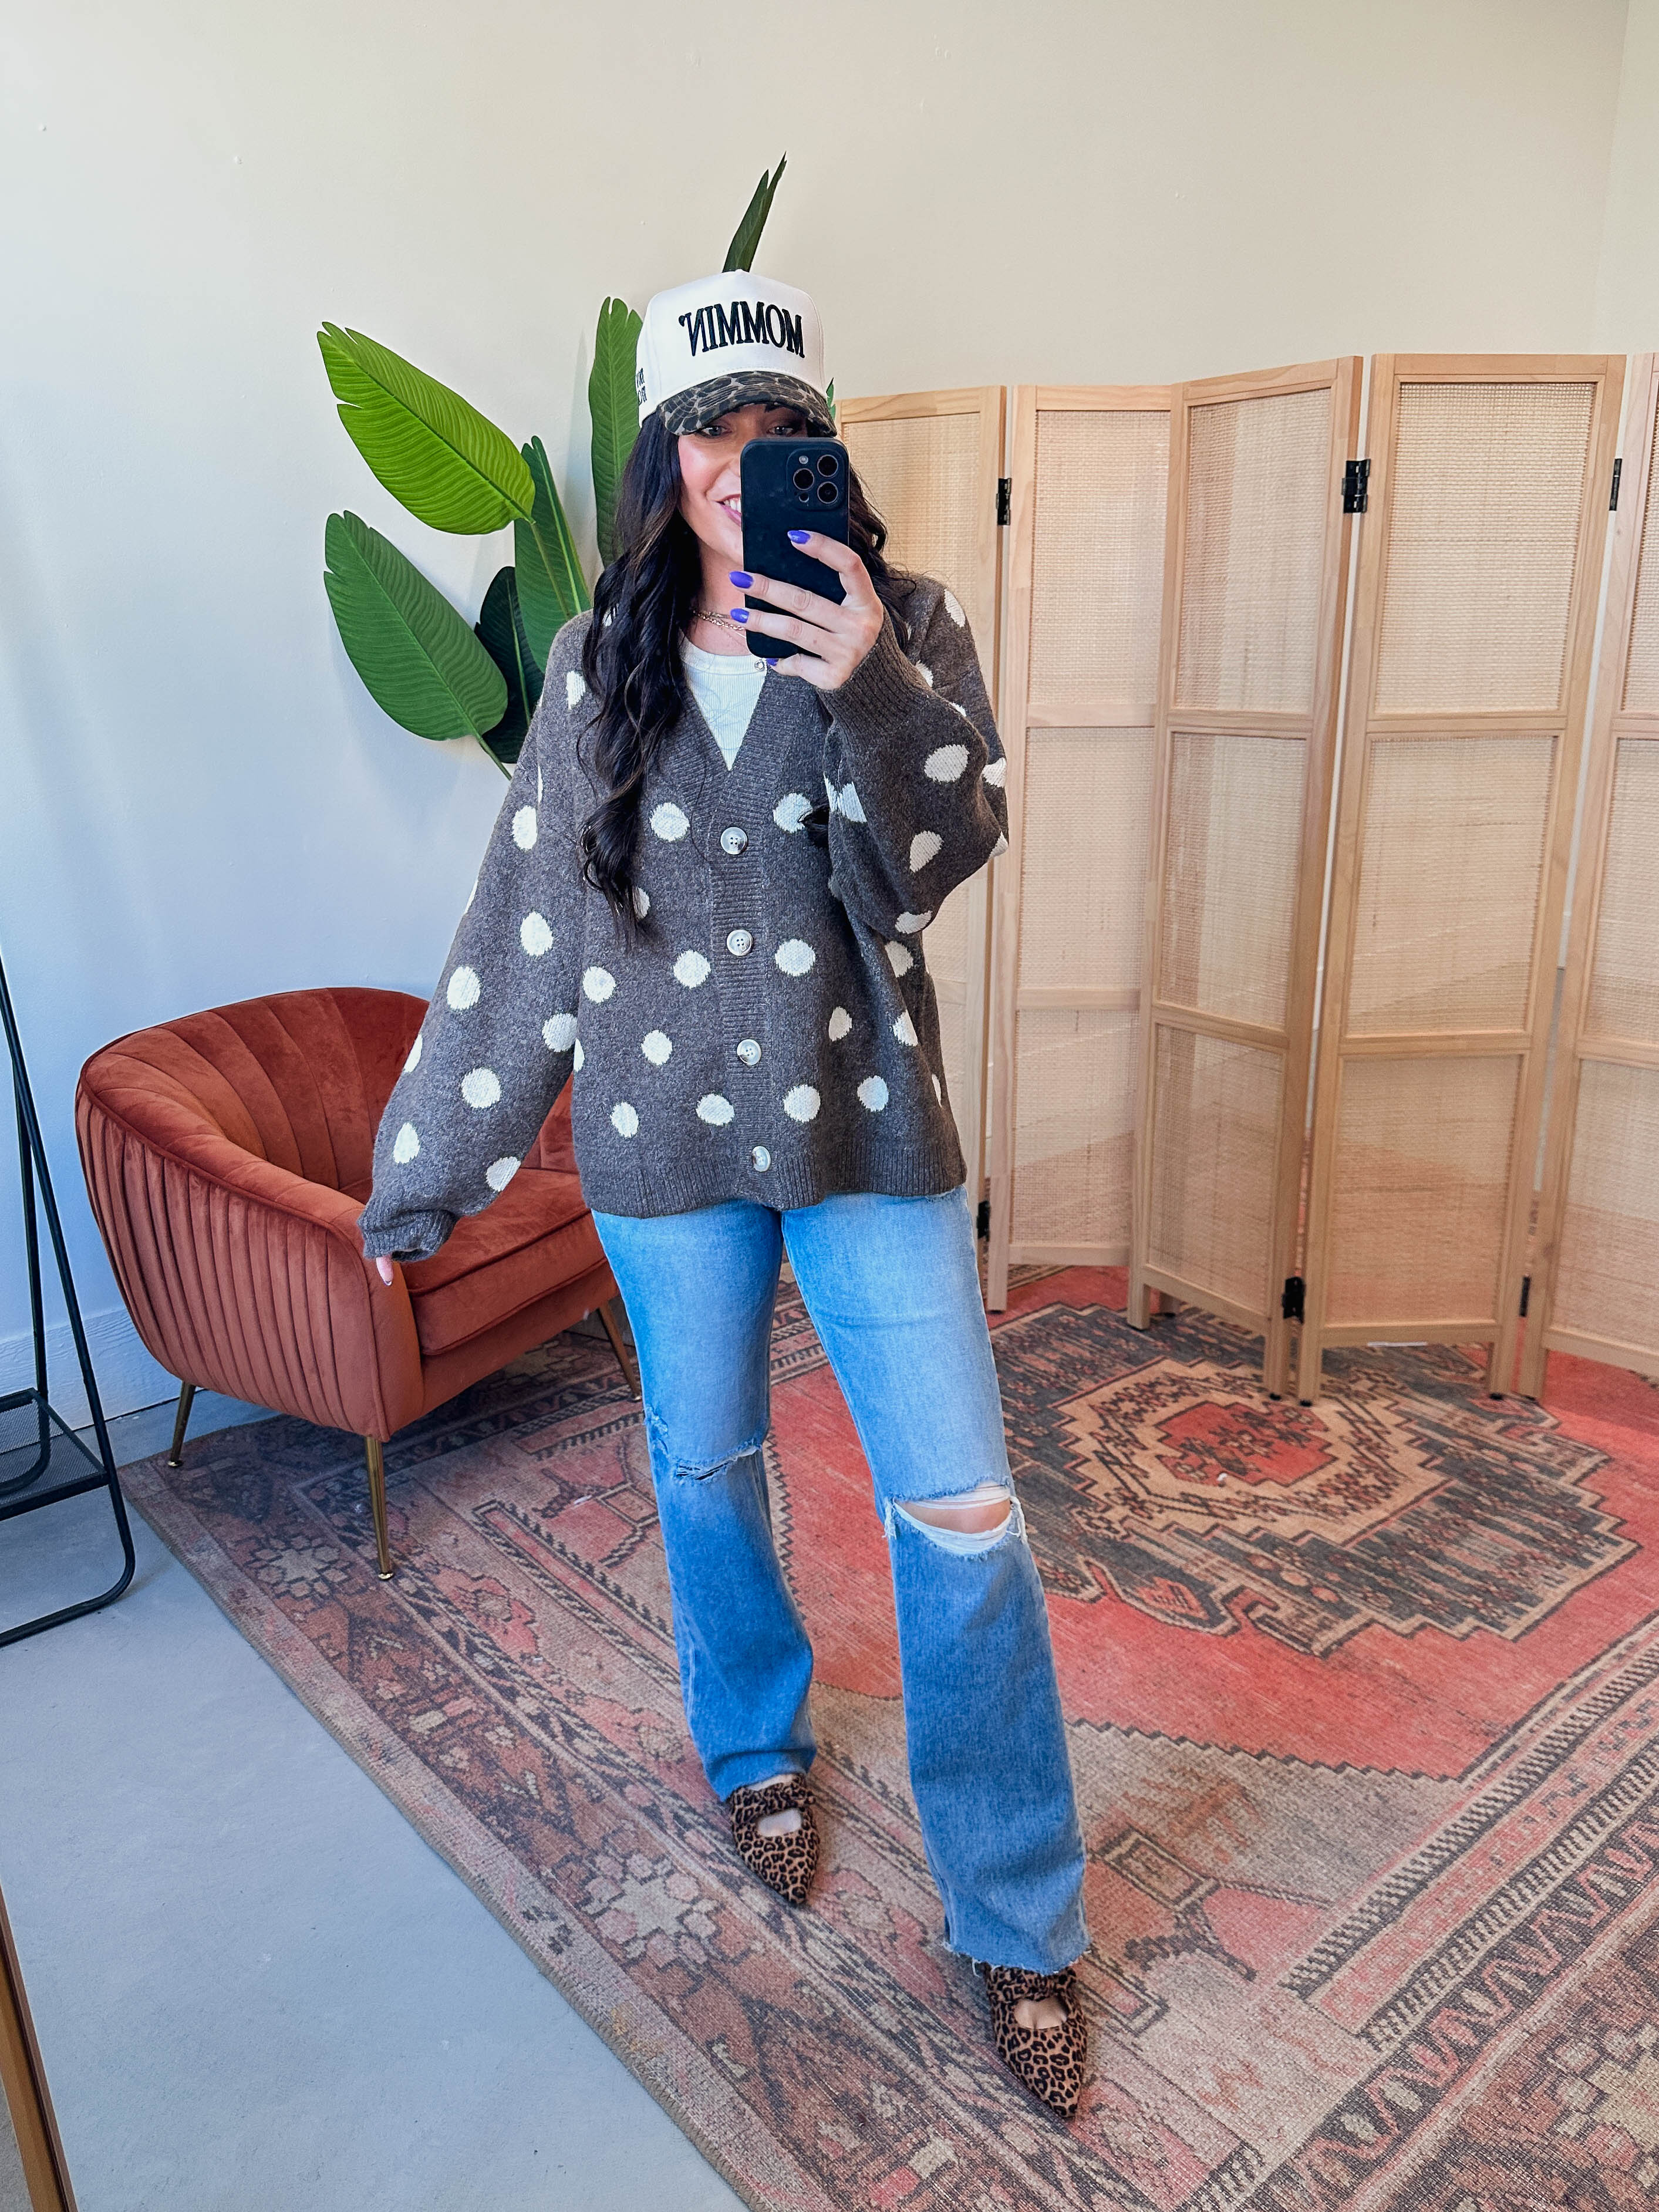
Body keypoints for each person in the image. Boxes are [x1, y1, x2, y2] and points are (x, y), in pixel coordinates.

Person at [358, 270, 1090, 2116]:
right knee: (706, 1471)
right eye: (706, 431)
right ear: (660, 455)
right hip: (665, 1154)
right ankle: (753, 1747)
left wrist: (869, 688)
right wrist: (426, 1166)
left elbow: (943, 859)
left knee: (964, 1515)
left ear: (815, 450)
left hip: (868, 1140)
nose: (733, 464)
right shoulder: (593, 662)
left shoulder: (903, 625)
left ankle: (1014, 1916)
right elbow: (524, 929)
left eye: (775, 433)